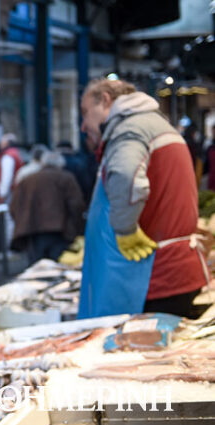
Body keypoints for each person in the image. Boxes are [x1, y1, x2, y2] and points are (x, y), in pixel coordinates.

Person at [77, 78, 206, 319]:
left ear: (105, 100)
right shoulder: (155, 124)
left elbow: (126, 174)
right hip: (171, 275)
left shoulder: (131, 128)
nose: (84, 126)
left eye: (85, 113)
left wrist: (124, 228)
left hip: (155, 279)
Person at [9, 150, 85, 264]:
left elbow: (14, 206)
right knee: (58, 268)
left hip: (33, 232)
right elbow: (76, 205)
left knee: (37, 269)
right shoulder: (66, 178)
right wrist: (75, 228)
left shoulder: (28, 180)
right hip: (59, 232)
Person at [0, 132, 24, 202]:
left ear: (6, 143)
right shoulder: (16, 153)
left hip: (10, 194)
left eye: (1, 142)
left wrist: (2, 194)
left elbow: (6, 178)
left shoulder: (8, 156)